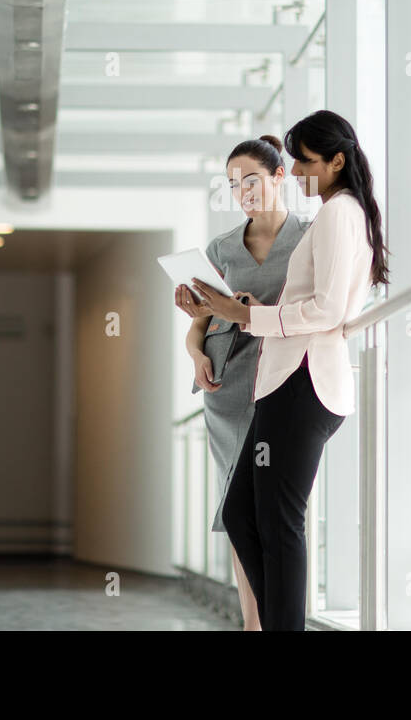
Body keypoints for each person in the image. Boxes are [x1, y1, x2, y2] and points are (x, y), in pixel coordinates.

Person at [191, 109, 389, 630]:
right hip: (284, 383)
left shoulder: (337, 214)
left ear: (336, 161)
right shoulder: (339, 213)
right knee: (243, 515)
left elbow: (327, 310)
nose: (298, 171)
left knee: (279, 524)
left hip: (303, 381)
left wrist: (244, 315)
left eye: (304, 161)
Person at [174, 135, 309, 631]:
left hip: (281, 386)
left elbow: (314, 311)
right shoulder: (221, 249)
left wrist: (251, 310)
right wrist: (195, 354)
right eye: (233, 185)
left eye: (251, 179)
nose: (242, 191)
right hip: (228, 392)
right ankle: (252, 624)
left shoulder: (308, 238)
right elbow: (199, 328)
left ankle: (283, 617)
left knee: (277, 511)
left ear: (278, 177)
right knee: (237, 513)